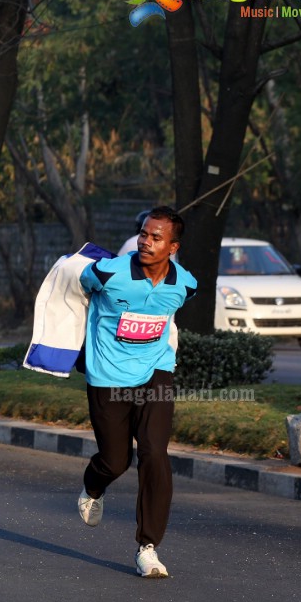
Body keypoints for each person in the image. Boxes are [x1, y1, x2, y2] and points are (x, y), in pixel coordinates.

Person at [76, 206, 197, 578]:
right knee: (115, 461)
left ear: (172, 246)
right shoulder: (107, 273)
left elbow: (170, 317)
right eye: (144, 234)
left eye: (156, 237)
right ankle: (92, 488)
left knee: (154, 453)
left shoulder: (185, 284)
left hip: (155, 372)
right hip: (108, 376)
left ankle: (148, 547)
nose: (146, 241)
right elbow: (77, 289)